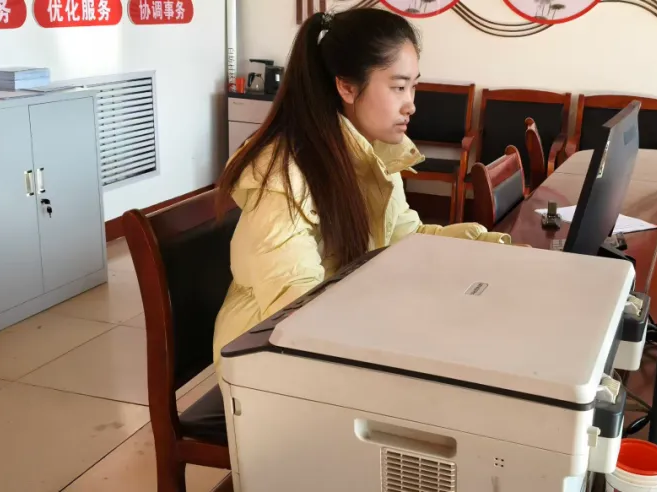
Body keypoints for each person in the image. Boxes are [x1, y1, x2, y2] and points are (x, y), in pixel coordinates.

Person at [212, 9, 511, 365]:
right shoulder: (281, 173)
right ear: (347, 87)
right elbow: (294, 307)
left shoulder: (373, 152)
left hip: (334, 328)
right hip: (262, 356)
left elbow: (406, 237)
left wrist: (496, 249)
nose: (411, 105)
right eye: (398, 87)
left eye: (413, 86)